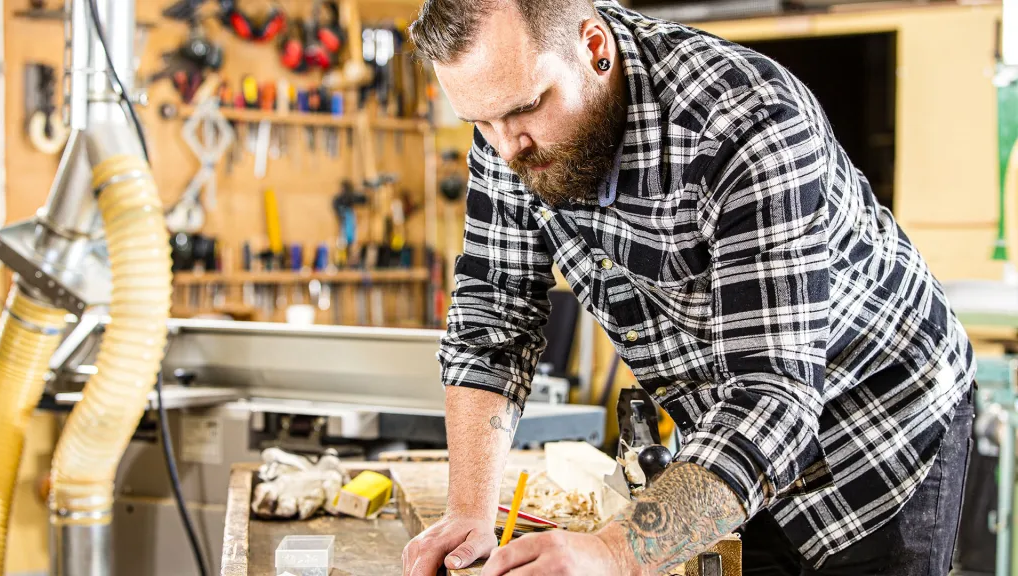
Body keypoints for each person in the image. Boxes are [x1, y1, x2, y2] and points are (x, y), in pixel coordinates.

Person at [400, 0, 976, 574]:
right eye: (480, 121)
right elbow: (492, 324)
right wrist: (469, 512)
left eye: (526, 109)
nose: (505, 147)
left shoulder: (743, 122)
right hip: (730, 442)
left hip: (878, 428)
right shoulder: (509, 127)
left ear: (595, 49)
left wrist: (613, 553)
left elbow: (772, 398)